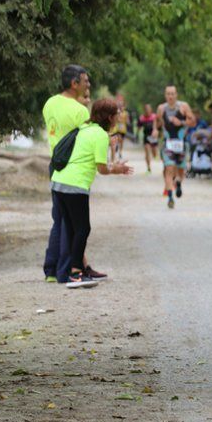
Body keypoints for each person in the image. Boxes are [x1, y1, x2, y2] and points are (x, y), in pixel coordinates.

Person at [51, 99, 133, 288]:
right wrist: (117, 169)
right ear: (110, 117)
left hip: (59, 182)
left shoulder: (86, 128)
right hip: (75, 185)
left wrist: (108, 141)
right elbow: (102, 169)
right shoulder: (100, 136)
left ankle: (78, 269)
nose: (118, 117)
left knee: (72, 228)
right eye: (116, 115)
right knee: (83, 228)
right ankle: (76, 273)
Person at [41, 65, 107, 283]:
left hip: (55, 165)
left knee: (59, 219)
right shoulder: (79, 112)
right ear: (74, 84)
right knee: (73, 223)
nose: (88, 85)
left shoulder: (50, 103)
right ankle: (69, 270)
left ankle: (52, 270)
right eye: (85, 81)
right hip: (73, 168)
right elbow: (86, 138)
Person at [156, 85, 195, 208]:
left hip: (182, 144)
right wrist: (155, 130)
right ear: (165, 95)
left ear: (176, 95)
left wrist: (182, 122)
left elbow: (193, 122)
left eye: (173, 93)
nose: (170, 96)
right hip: (168, 144)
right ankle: (170, 197)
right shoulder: (161, 108)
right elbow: (157, 121)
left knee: (180, 171)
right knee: (169, 168)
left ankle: (178, 183)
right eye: (168, 94)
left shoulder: (184, 107)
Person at [139, 104, 158, 174]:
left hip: (152, 136)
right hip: (146, 136)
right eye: (146, 109)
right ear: (144, 110)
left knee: (154, 153)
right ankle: (148, 168)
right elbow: (139, 126)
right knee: (147, 150)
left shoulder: (153, 117)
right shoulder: (142, 118)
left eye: (149, 108)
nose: (148, 110)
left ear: (151, 110)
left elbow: (155, 126)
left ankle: (155, 155)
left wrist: (155, 130)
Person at [109, 94, 129, 162]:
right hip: (117, 129)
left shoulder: (126, 113)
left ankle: (120, 151)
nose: (121, 107)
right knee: (118, 138)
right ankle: (116, 149)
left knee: (121, 141)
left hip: (123, 129)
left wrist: (124, 120)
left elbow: (127, 121)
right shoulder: (116, 112)